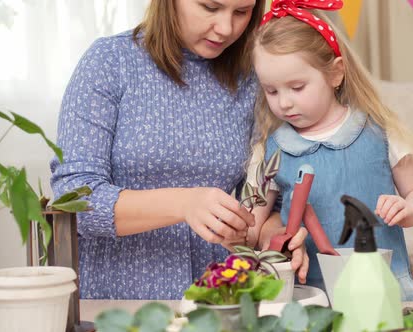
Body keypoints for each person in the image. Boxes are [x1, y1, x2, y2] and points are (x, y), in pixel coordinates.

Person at [50, 0, 308, 300]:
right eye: (210, 7)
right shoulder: (110, 62)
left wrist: (274, 238)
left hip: (218, 303)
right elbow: (74, 200)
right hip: (118, 303)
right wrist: (185, 203)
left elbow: (265, 203)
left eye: (242, 12)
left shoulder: (251, 77)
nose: (226, 28)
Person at [245, 0, 413, 301]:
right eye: (271, 90)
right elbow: (251, 227)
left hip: (382, 288)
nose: (284, 102)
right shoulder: (269, 151)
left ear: (335, 74)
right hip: (308, 295)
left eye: (296, 87)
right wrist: (242, 232)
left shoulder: (379, 132)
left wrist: (409, 210)